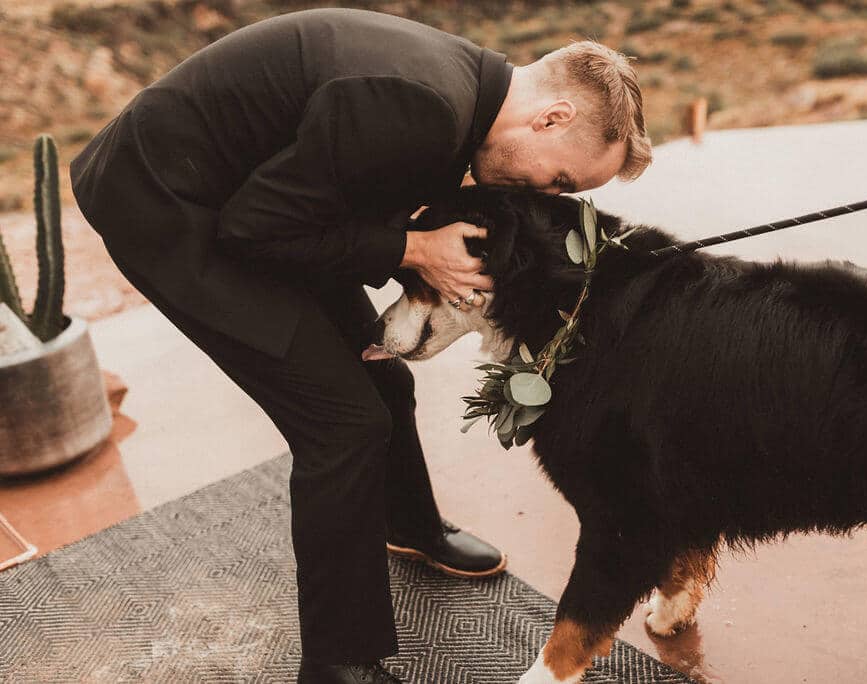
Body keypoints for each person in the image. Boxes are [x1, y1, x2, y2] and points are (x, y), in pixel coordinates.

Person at [69, 7, 651, 683]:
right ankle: (336, 661)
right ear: (551, 118)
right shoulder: (420, 103)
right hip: (171, 206)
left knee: (382, 380)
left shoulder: (467, 90)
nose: (547, 197)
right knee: (343, 426)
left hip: (250, 200)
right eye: (561, 181)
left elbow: (318, 195)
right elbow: (251, 232)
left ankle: (410, 528)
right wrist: (410, 249)